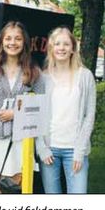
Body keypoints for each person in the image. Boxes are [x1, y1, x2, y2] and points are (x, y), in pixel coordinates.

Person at [0, 21, 46, 194]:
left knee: (15, 191)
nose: (12, 42)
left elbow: (40, 108)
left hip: (21, 141)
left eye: (17, 39)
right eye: (8, 38)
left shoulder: (34, 71)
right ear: (1, 41)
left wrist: (16, 113)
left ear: (24, 42)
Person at [39, 27, 97, 195]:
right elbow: (35, 116)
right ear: (51, 48)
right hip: (50, 150)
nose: (61, 48)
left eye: (66, 44)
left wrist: (80, 150)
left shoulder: (85, 76)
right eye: (57, 44)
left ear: (73, 48)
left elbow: (89, 115)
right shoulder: (43, 78)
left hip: (75, 149)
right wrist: (41, 148)